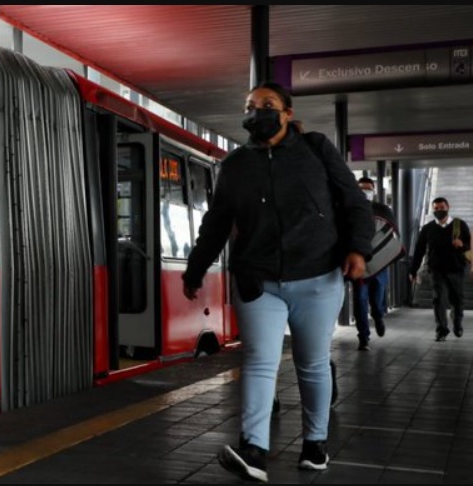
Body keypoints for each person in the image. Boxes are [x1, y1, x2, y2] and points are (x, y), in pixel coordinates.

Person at [182, 82, 373, 483]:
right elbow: (215, 224)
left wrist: (358, 249)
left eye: (266, 105)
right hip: (257, 279)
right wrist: (195, 269)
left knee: (312, 364)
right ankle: (253, 449)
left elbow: (353, 201)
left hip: (317, 275)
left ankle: (315, 444)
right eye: (250, 106)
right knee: (258, 361)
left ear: (287, 113)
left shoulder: (316, 149)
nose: (256, 112)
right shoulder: (235, 165)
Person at [409, 197, 471, 341]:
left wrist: (462, 244)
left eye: (441, 208)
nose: (439, 211)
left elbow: (469, 246)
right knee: (439, 300)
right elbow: (419, 251)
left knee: (457, 300)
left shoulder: (459, 225)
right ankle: (441, 330)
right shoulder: (427, 228)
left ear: (448, 207)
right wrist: (413, 270)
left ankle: (457, 323)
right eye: (436, 208)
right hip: (436, 270)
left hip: (456, 269)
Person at [353, 176, 398, 350]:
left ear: (374, 190)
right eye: (361, 188)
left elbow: (393, 231)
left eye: (368, 188)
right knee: (360, 299)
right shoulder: (351, 209)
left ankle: (378, 315)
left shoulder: (382, 209)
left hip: (380, 264)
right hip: (360, 264)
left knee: (377, 296)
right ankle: (363, 337)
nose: (365, 191)